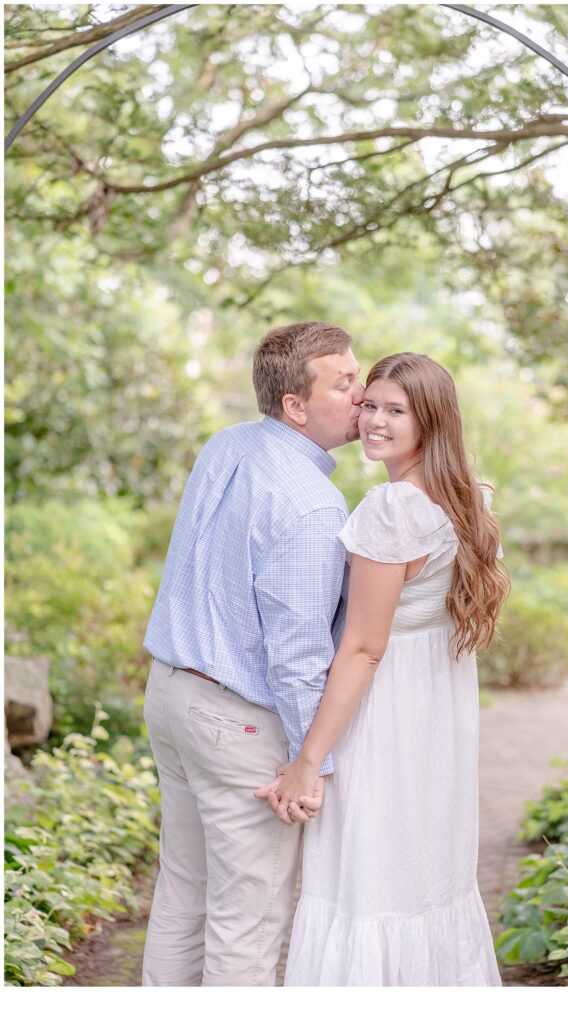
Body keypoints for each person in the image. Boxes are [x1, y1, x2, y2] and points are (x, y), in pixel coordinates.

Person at [255, 352, 509, 986]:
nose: (373, 421)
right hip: (436, 710)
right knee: (421, 873)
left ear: (431, 421)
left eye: (396, 411)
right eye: (369, 404)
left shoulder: (393, 508)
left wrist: (306, 760)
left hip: (387, 713)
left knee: (368, 879)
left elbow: (365, 646)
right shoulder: (467, 497)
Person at [140, 321, 364, 986]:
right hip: (236, 721)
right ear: (296, 406)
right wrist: (307, 761)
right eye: (345, 384)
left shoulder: (227, 444)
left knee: (182, 892)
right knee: (249, 919)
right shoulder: (313, 506)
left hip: (171, 693)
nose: (362, 394)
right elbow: (297, 657)